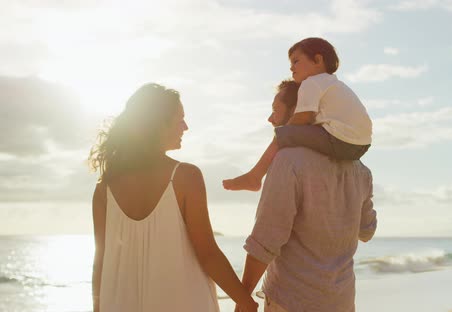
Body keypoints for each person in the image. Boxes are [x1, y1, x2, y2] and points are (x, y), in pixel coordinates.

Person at [89, 83, 257, 312]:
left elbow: (101, 261)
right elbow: (207, 253)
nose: (185, 127)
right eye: (179, 119)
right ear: (158, 125)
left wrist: (97, 307)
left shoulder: (104, 188)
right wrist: (246, 302)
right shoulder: (185, 176)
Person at [236, 80, 377, 311]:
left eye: (275, 111)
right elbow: (367, 231)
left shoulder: (288, 160)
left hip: (292, 301)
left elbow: (266, 239)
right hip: (341, 301)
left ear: (298, 111)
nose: (270, 119)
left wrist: (243, 298)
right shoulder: (360, 170)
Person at [223, 37, 372, 191]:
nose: (291, 68)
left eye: (295, 61)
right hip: (361, 146)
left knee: (283, 134)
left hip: (339, 140)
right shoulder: (336, 84)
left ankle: (254, 177)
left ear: (317, 60)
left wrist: (284, 134)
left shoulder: (311, 82)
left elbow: (303, 117)